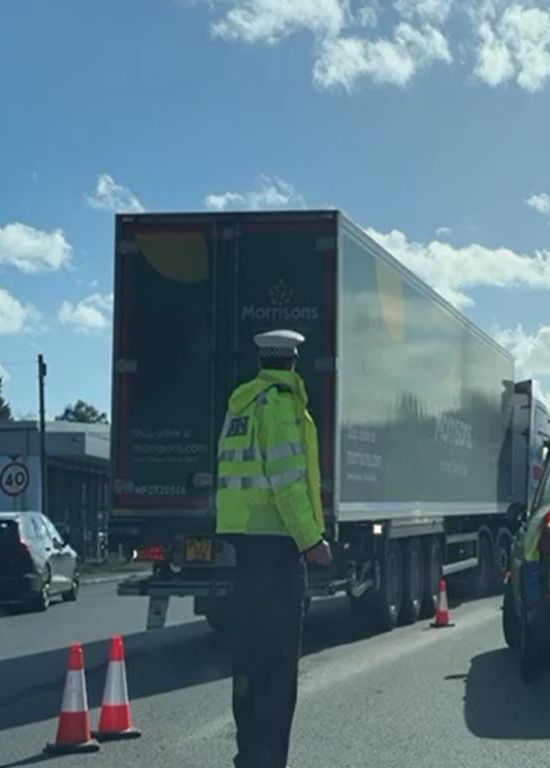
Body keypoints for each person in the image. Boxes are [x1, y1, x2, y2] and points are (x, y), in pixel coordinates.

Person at [215, 328, 332, 768]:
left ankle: (249, 756)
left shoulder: (240, 406)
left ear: (262, 362)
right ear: (293, 363)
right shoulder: (282, 407)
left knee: (248, 662)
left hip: (246, 548)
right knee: (279, 670)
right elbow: (287, 484)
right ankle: (269, 762)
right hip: (279, 551)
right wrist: (312, 542)